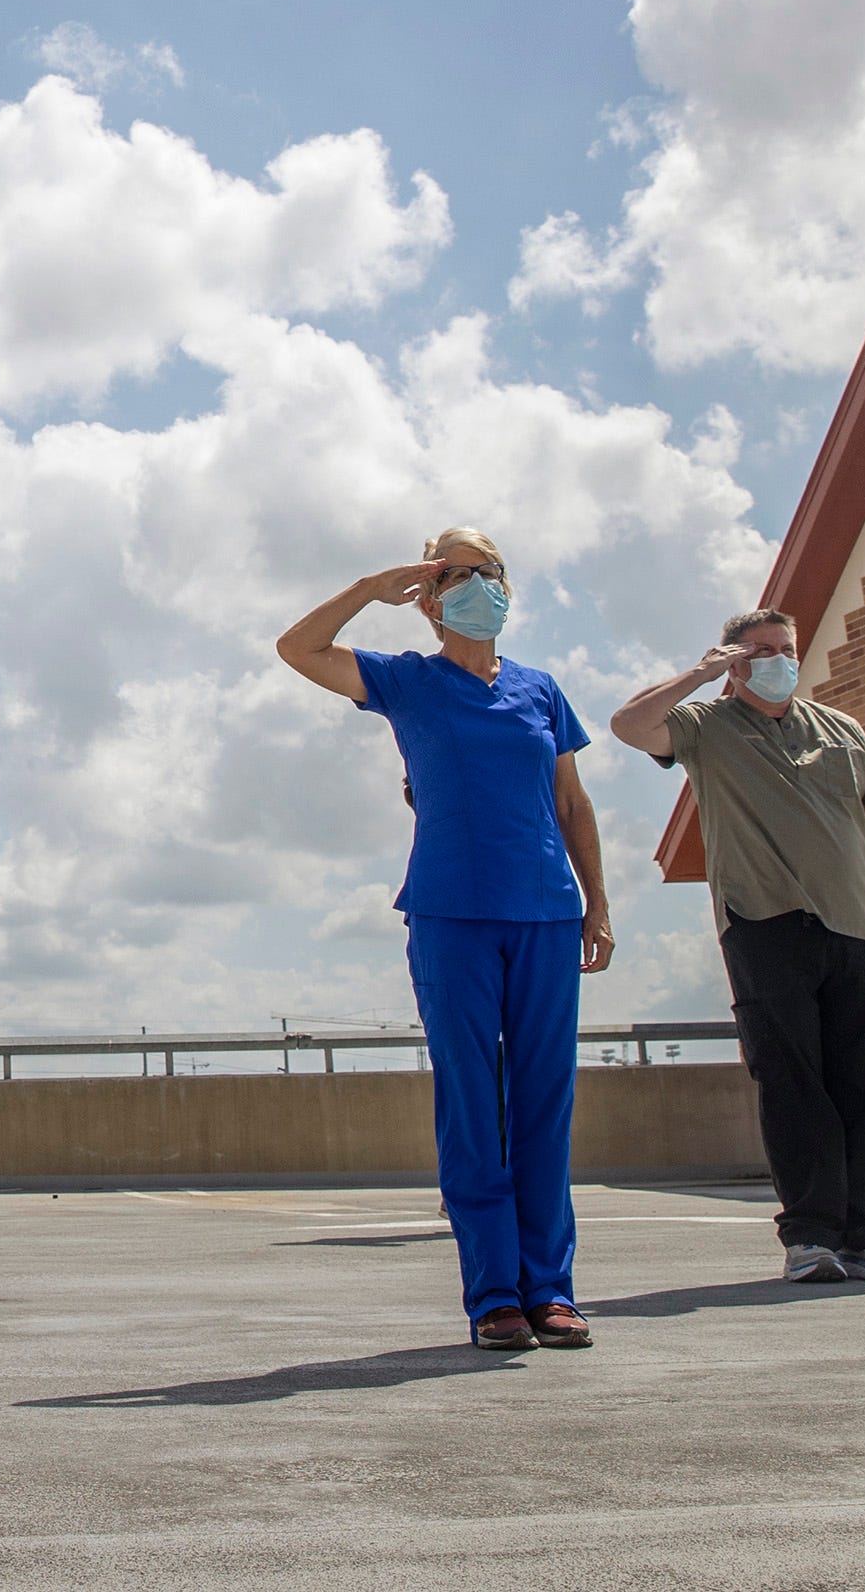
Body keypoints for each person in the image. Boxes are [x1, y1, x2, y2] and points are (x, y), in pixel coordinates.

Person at [277, 531, 615, 1350]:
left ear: (507, 585)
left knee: (545, 1102)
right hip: (451, 912)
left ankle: (552, 1290)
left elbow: (571, 804)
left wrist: (596, 902)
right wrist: (370, 583)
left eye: (486, 569)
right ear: (428, 596)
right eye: (453, 571)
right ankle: (495, 1294)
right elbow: (299, 648)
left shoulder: (540, 691)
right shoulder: (408, 680)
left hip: (546, 912)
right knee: (473, 1102)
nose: (475, 584)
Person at [611, 609, 865, 1285]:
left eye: (785, 648)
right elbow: (630, 725)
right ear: (733, 659)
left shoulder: (844, 731)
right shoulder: (706, 727)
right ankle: (811, 1237)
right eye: (759, 651)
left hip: (852, 927)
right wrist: (701, 673)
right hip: (762, 924)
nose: (777, 659)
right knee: (792, 1083)